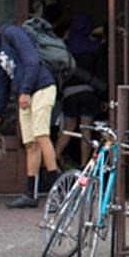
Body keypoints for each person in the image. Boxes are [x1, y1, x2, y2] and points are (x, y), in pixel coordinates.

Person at [0, 17, 60, 209]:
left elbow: (32, 61)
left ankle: (57, 193)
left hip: (41, 87)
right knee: (30, 143)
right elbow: (2, 88)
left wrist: (25, 90)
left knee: (42, 136)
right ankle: (30, 194)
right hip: (24, 96)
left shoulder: (11, 33)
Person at [54, 13, 105, 166]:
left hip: (70, 94)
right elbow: (100, 74)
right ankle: (84, 166)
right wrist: (103, 97)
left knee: (68, 128)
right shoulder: (95, 48)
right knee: (86, 130)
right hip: (88, 94)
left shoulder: (64, 47)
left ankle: (53, 160)